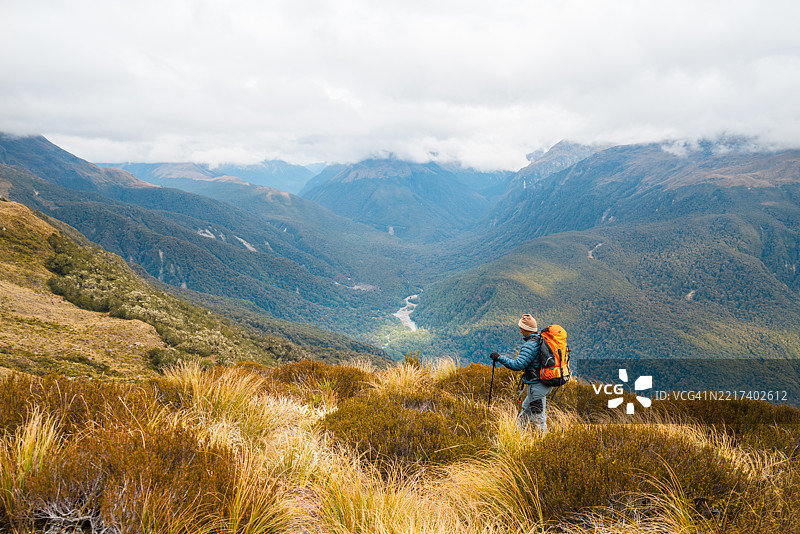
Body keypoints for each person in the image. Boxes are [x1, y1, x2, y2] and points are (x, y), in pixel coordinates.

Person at [490, 313, 552, 433]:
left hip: (536, 387)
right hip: (544, 384)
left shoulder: (530, 345)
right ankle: (517, 434)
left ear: (527, 329)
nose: (520, 331)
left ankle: (544, 444)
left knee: (539, 419)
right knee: (526, 409)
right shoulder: (540, 340)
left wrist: (499, 358)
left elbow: (517, 365)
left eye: (521, 328)